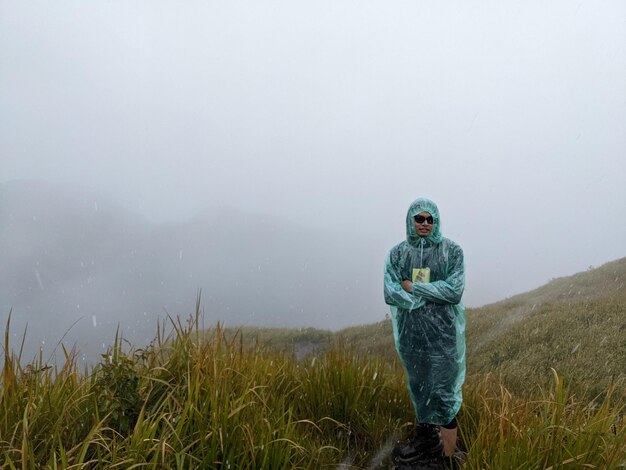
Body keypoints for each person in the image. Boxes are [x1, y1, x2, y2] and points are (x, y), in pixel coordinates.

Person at [384, 198, 466, 468]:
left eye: (430, 219)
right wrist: (432, 292)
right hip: (412, 338)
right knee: (420, 390)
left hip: (443, 338)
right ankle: (426, 444)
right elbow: (391, 291)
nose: (425, 224)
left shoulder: (452, 251)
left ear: (436, 221)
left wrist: (415, 289)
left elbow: (453, 292)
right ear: (411, 220)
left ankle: (447, 456)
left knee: (443, 395)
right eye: (419, 219)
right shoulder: (397, 254)